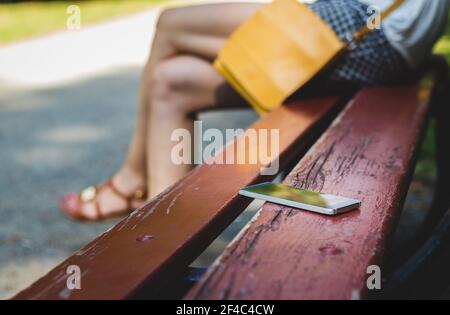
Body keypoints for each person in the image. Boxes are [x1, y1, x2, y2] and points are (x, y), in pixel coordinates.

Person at [59, 0, 450, 221]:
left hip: (369, 25)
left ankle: (129, 182)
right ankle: (160, 226)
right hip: (382, 37)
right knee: (172, 81)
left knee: (172, 23)